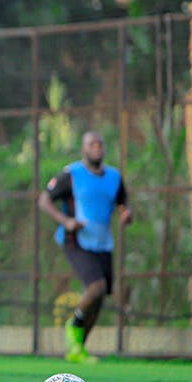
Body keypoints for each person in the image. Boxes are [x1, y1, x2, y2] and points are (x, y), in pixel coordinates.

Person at [37, 130, 132, 363]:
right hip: (76, 240)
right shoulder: (71, 174)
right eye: (92, 144)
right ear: (83, 149)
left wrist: (126, 213)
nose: (97, 147)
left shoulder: (114, 177)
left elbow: (122, 202)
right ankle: (75, 322)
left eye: (100, 143)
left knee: (100, 297)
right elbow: (44, 200)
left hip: (103, 243)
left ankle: (78, 348)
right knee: (96, 287)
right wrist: (66, 221)